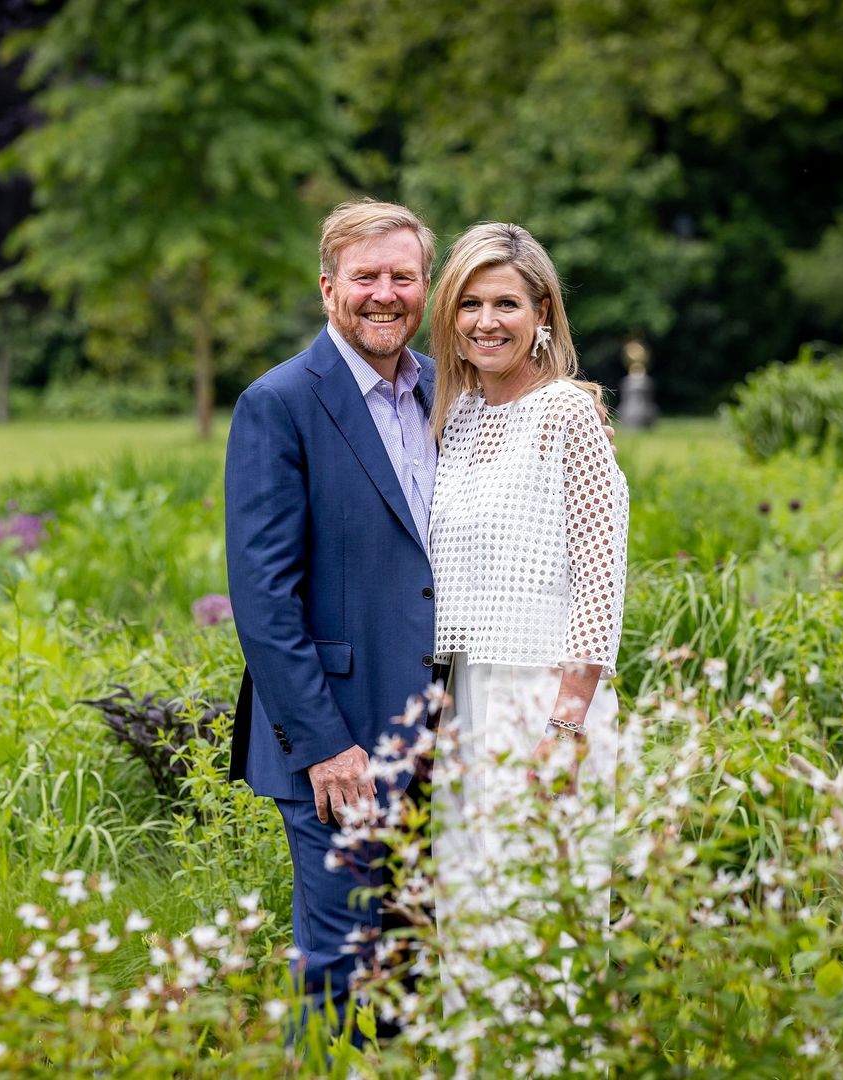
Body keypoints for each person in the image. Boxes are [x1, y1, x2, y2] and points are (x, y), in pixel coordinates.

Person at [224, 199, 439, 1025]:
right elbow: (264, 598)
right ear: (327, 288)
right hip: (338, 745)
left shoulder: (438, 395)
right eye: (365, 277)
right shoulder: (278, 403)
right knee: (344, 976)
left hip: (434, 734)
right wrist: (326, 749)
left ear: (425, 287)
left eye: (402, 276)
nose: (384, 294)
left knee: (414, 971)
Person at [426, 222, 629, 1008]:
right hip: (458, 704)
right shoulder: (455, 419)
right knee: (468, 916)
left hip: (543, 700)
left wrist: (569, 724)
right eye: (469, 303)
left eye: (505, 302)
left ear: (542, 310)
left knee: (546, 924)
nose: (487, 320)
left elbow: (599, 579)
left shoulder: (569, 418)